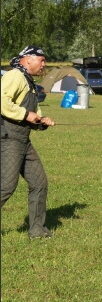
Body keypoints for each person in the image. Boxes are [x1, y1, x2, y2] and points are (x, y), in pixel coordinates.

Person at [1, 45, 56, 239]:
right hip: (8, 138)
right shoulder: (14, 76)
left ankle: (37, 230)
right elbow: (2, 101)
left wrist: (42, 121)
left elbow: (35, 113)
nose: (43, 65)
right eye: (41, 60)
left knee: (39, 183)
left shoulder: (29, 81)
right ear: (28, 59)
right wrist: (25, 114)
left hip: (23, 140)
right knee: (6, 186)